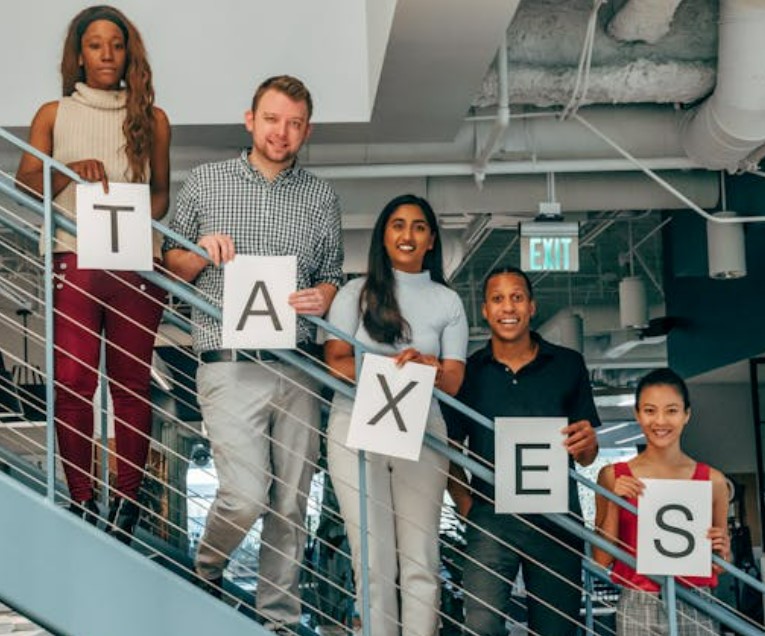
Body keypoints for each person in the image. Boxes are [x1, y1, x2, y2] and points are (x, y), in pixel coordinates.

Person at [163, 75, 343, 635]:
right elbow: (169, 263)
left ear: (306, 130)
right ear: (250, 119)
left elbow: (332, 274)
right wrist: (199, 254)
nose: (281, 132)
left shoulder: (321, 196)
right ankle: (207, 570)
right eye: (272, 119)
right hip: (228, 361)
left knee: (289, 504)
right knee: (244, 497)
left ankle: (278, 621)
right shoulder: (206, 182)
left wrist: (328, 294)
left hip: (297, 365)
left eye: (294, 123)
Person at [15, 5, 171, 540]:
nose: (107, 54)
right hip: (73, 258)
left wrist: (130, 216)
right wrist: (67, 173)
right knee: (75, 381)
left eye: (117, 44)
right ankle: (82, 497)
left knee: (130, 384)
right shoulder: (54, 113)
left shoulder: (152, 118)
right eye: (96, 44)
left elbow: (161, 197)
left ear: (130, 53)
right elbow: (25, 184)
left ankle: (125, 502)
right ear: (78, 54)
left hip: (132, 264)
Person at [324, 194, 468, 636]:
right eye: (398, 225)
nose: (408, 235)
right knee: (372, 559)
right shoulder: (355, 292)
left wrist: (430, 369)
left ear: (431, 240)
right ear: (383, 237)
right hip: (356, 426)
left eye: (419, 227)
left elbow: (455, 380)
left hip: (423, 428)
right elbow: (334, 361)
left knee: (421, 560)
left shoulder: (447, 300)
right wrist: (389, 370)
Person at [445, 266, 600, 636]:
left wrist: (589, 446)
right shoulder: (470, 372)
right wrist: (467, 507)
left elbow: (587, 453)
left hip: (557, 519)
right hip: (491, 519)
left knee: (557, 630)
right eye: (497, 299)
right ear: (484, 310)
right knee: (480, 626)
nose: (508, 307)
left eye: (516, 297)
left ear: (531, 307)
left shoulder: (567, 365)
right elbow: (449, 448)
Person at [593, 367, 730, 635]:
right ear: (637, 414)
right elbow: (600, 559)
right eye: (649, 410)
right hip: (637, 600)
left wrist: (723, 550)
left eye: (671, 410)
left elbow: (720, 562)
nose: (660, 421)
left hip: (695, 599)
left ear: (686, 415)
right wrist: (613, 502)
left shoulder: (712, 481)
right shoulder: (613, 476)